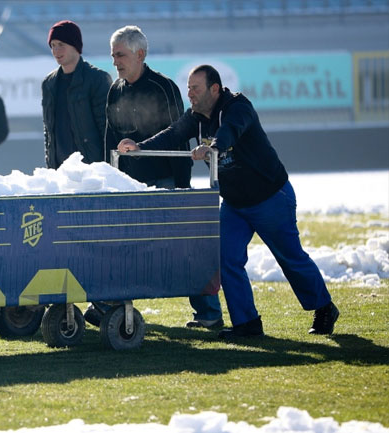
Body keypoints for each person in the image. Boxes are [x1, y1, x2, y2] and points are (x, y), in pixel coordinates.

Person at [120, 65, 339, 338]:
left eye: (195, 88)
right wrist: (140, 147)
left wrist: (211, 148)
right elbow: (174, 132)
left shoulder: (238, 107)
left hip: (271, 197)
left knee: (290, 258)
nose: (190, 94)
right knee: (225, 258)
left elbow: (229, 133)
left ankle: (325, 308)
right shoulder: (195, 116)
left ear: (214, 88)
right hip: (235, 204)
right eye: (188, 88)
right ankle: (247, 324)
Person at [107, 26, 222, 330]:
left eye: (121, 55)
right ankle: (109, 306)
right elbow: (111, 136)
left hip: (165, 184)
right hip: (127, 187)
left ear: (140, 54)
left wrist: (182, 188)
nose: (115, 61)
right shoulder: (114, 89)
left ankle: (209, 312)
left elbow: (179, 138)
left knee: (183, 249)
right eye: (113, 55)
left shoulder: (164, 87)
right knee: (120, 247)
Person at [41, 20, 111, 169]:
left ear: (75, 46)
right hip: (59, 172)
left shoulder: (97, 79)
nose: (56, 51)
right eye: (53, 45)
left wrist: (106, 169)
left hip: (91, 171)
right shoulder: (49, 83)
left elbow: (107, 129)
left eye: (61, 45)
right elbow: (48, 131)